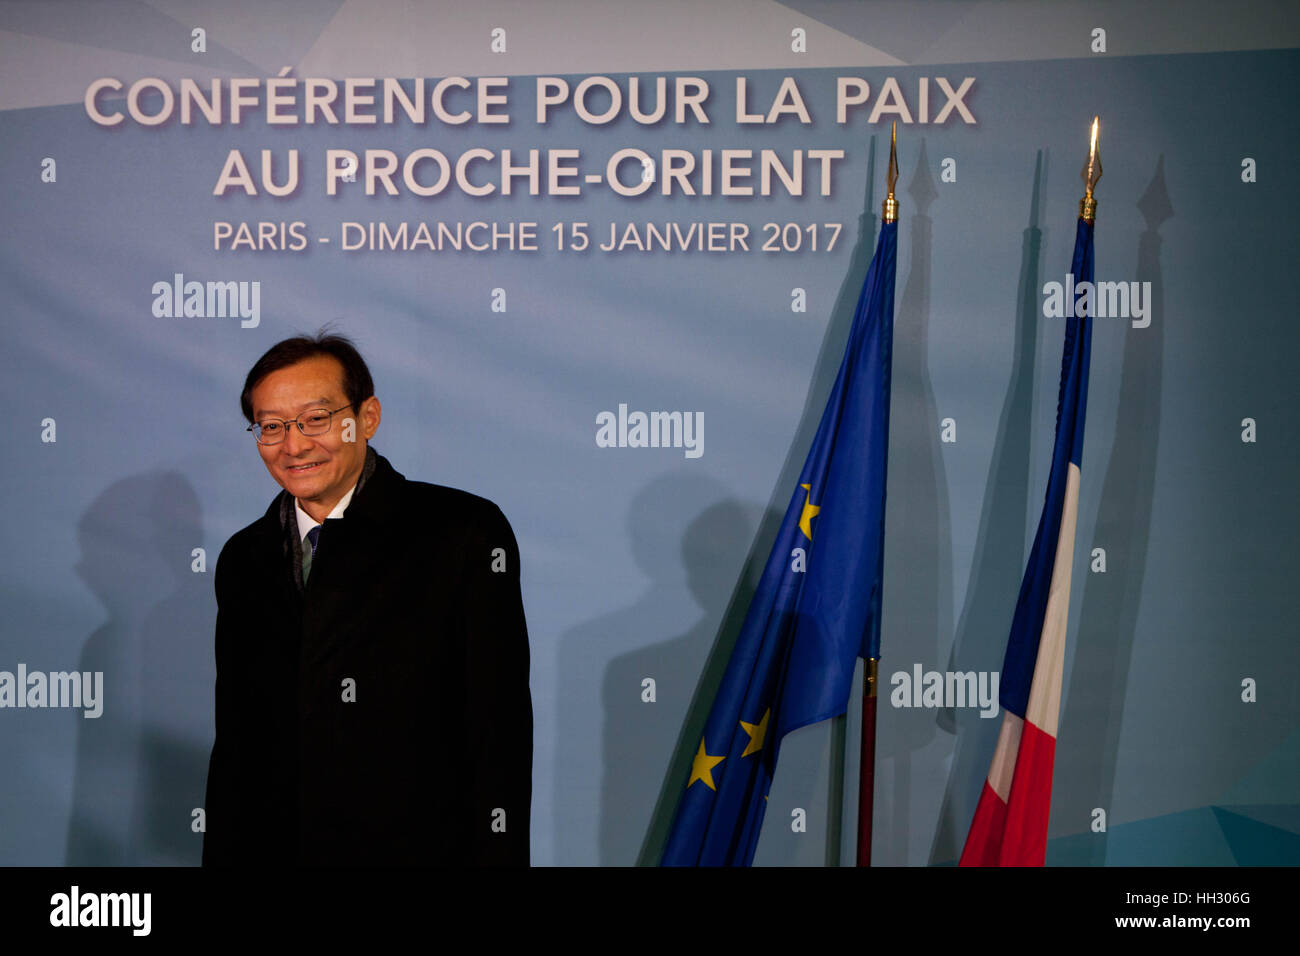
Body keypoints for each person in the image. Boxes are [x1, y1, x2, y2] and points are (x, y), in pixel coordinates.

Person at [201, 332, 531, 866]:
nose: (295, 444)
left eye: (316, 418)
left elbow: (499, 735)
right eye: (272, 427)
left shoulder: (463, 533)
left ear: (368, 417)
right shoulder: (245, 557)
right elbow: (236, 746)